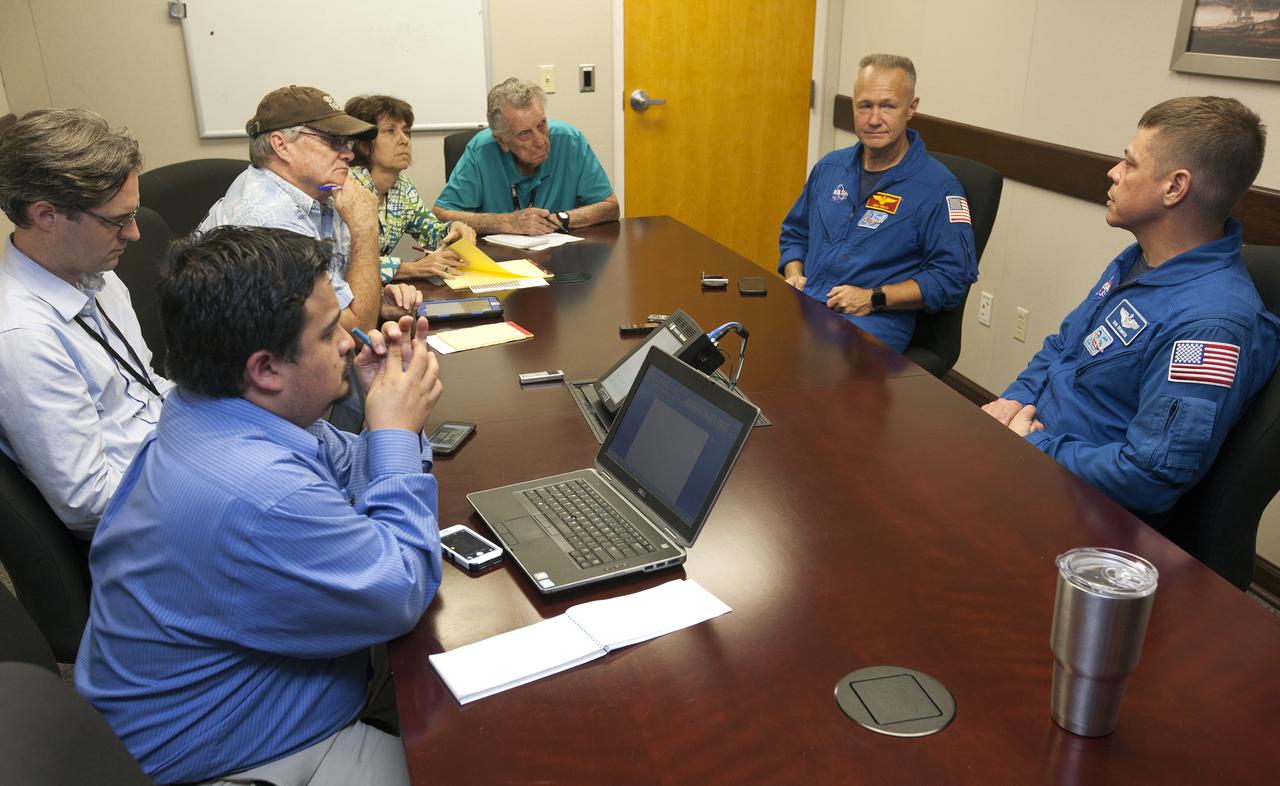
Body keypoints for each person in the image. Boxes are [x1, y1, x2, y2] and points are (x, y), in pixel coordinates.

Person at [76, 226, 444, 785]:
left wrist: (379, 421)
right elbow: (402, 592)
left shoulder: (206, 409)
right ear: (266, 368)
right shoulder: (258, 490)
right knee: (486, 752)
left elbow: (343, 465)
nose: (351, 340)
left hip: (239, 706)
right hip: (240, 760)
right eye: (328, 334)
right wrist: (392, 432)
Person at [982, 96, 1278, 516]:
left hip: (1087, 513)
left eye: (1130, 163)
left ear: (1175, 187)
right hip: (1030, 462)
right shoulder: (1137, 260)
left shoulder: (1210, 326)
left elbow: (1147, 478)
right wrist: (1013, 404)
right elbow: (1064, 346)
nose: (1114, 172)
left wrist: (1034, 445)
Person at [0, 108, 173, 535]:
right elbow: (90, 503)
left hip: (171, 461)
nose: (134, 233)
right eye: (117, 220)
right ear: (46, 216)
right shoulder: (23, 337)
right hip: (147, 528)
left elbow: (144, 389)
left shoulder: (99, 277)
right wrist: (205, 479)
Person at [778, 53, 977, 352]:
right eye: (865, 106)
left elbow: (950, 278)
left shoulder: (939, 189)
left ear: (911, 108)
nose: (873, 119)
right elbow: (796, 232)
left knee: (800, 375)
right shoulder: (830, 168)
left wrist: (873, 297)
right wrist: (794, 274)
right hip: (808, 307)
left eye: (887, 106)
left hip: (870, 325)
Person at [199, 85, 421, 332]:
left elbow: (345, 300)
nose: (348, 153)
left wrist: (378, 302)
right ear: (282, 146)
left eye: (346, 142)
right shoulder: (269, 220)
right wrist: (365, 229)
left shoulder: (323, 192)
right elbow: (354, 331)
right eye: (333, 140)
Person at [433, 77, 619, 235]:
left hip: (563, 258)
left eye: (541, 125)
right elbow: (441, 215)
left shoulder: (569, 140)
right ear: (502, 140)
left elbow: (610, 207)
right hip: (499, 263)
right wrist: (506, 223)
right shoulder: (481, 151)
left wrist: (559, 220)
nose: (540, 141)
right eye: (524, 134)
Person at [343, 94, 475, 282]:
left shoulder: (401, 186)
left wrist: (453, 230)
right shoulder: (347, 188)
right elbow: (343, 264)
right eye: (390, 131)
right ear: (364, 145)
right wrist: (413, 268)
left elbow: (431, 232)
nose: (404, 140)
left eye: (406, 131)